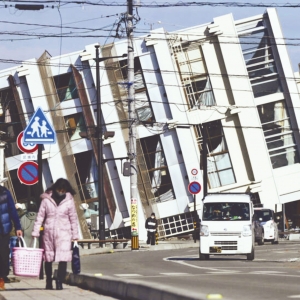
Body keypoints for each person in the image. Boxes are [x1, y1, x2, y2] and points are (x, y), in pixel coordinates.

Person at [32, 178, 79, 290]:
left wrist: (75, 235)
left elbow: (73, 219)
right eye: (59, 189)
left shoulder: (69, 201)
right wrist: (36, 231)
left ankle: (59, 281)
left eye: (63, 190)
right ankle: (49, 281)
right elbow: (40, 216)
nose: (61, 192)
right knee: (48, 258)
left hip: (64, 233)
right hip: (49, 233)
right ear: (55, 188)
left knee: (63, 259)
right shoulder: (46, 200)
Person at [0, 186, 22, 291]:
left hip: (4, 228)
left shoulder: (5, 192)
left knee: (4, 253)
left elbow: (12, 210)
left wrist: (18, 227)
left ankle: (2, 276)